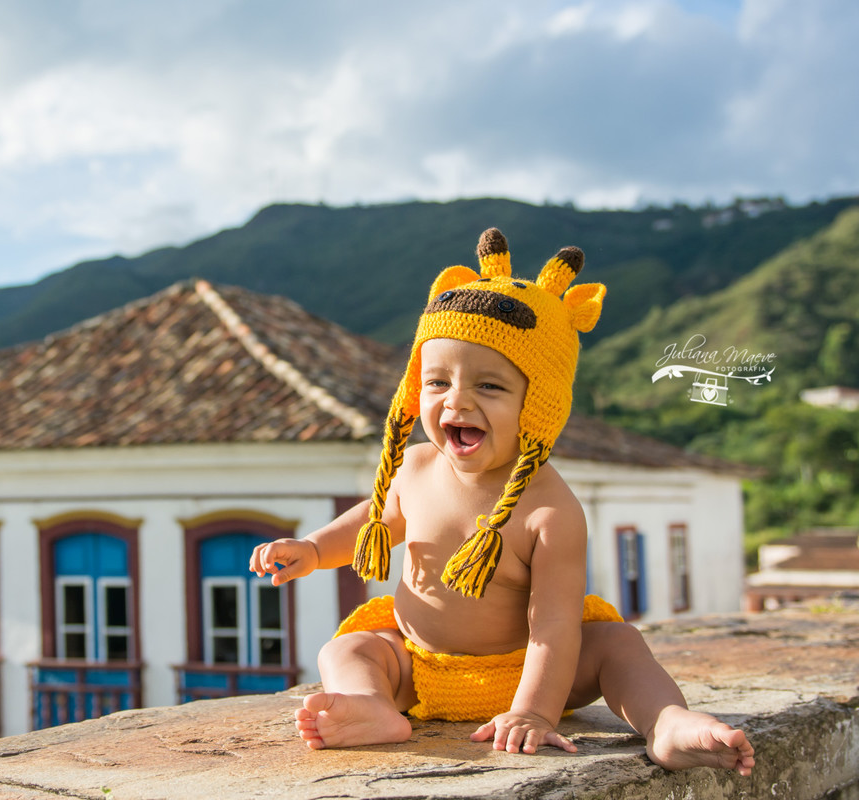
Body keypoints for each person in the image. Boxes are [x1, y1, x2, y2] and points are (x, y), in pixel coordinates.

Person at [250, 228, 755, 776]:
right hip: (417, 668)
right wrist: (311, 548)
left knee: (618, 644)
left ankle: (667, 723)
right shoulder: (416, 466)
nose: (456, 400)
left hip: (529, 672)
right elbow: (371, 524)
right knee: (345, 649)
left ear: (538, 405)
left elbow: (554, 627)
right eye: (437, 381)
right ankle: (373, 708)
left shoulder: (549, 511)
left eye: (489, 387)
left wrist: (535, 711)